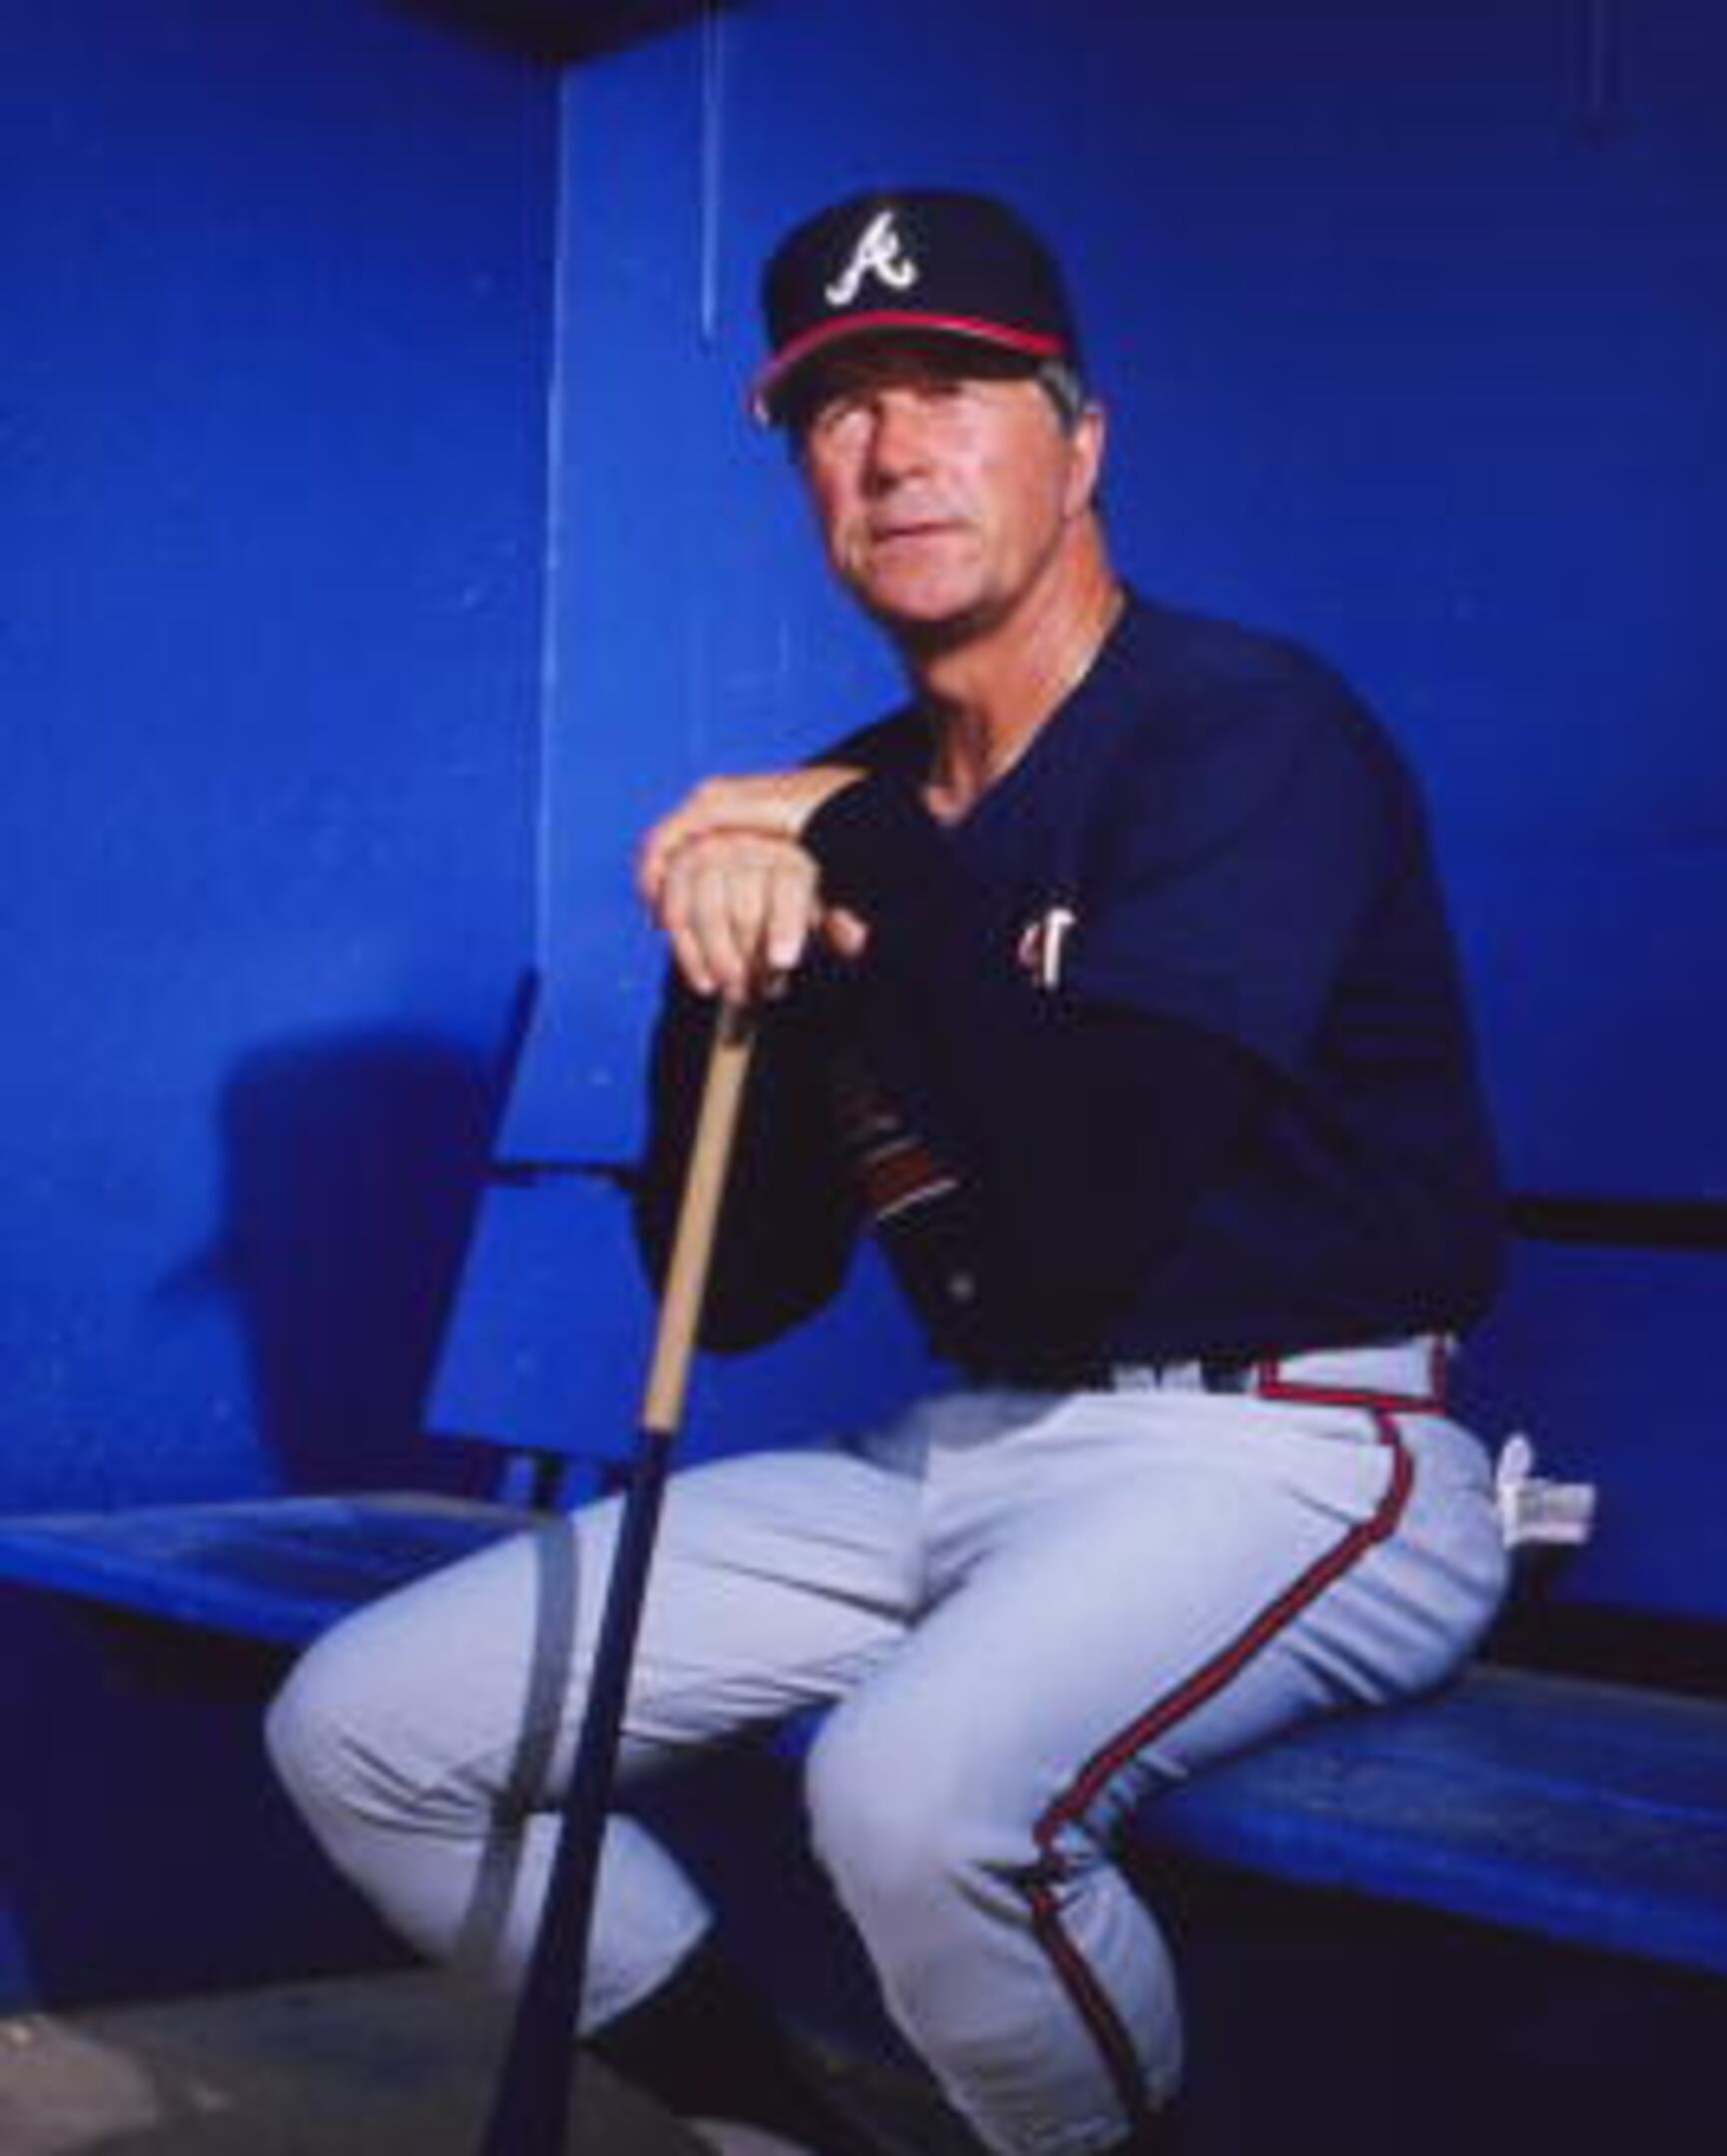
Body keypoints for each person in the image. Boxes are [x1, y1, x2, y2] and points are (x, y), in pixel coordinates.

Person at [267, 187, 1516, 2156]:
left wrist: (846, 852)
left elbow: (1102, 1194)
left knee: (913, 1799)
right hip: (962, 1458)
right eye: (838, 408)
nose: (894, 447)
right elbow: (749, 1285)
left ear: (1079, 440)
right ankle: (791, 2135)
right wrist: (719, 957)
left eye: (955, 386)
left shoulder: (1239, 733)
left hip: (1293, 1457)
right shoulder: (847, 798)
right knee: (366, 1729)